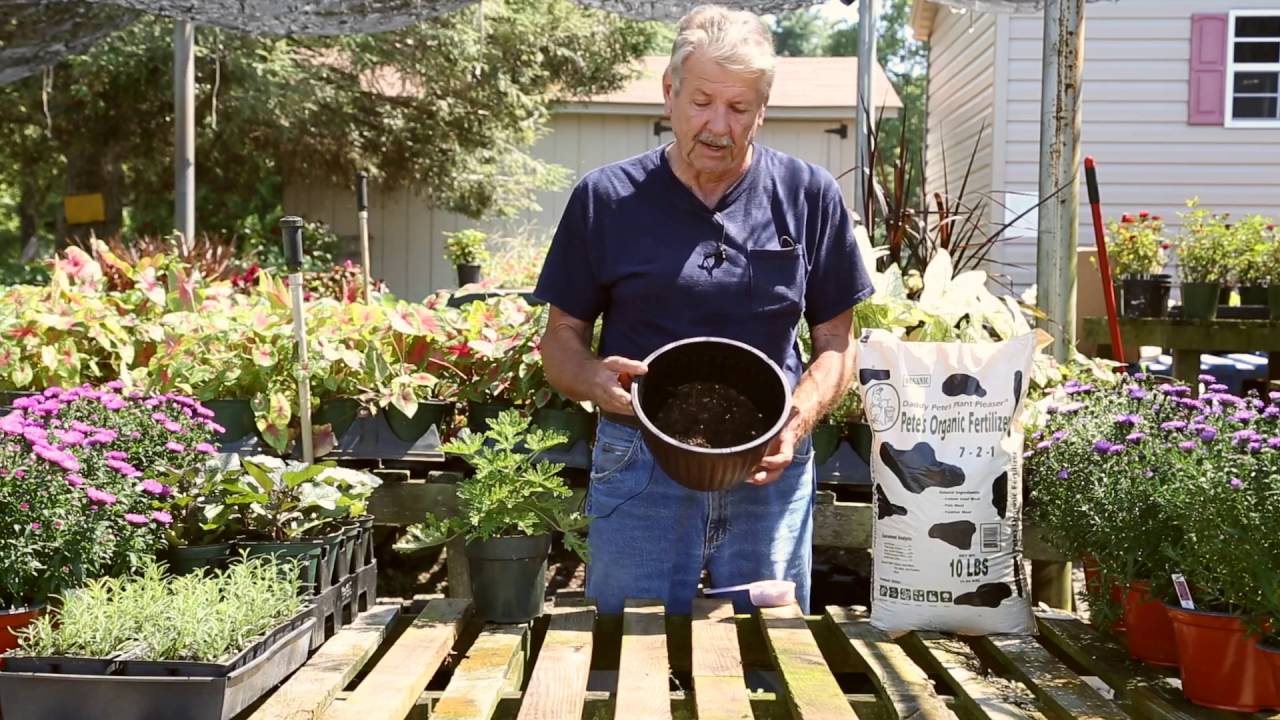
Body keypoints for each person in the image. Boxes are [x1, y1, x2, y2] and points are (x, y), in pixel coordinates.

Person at [533, 4, 874, 615]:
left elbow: (837, 343)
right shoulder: (606, 199)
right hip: (640, 461)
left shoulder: (808, 194)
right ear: (670, 93)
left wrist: (798, 420)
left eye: (739, 108)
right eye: (702, 102)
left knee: (770, 664)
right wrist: (592, 378)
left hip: (767, 466)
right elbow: (560, 336)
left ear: (762, 110)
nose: (718, 125)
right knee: (626, 653)